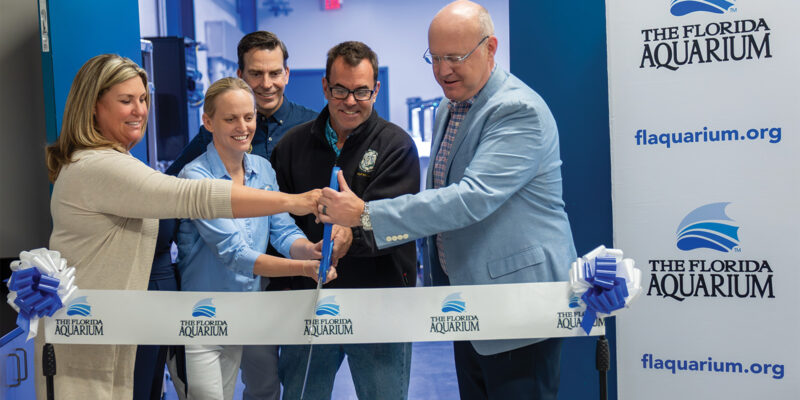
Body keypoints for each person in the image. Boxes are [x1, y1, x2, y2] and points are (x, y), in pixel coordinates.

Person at [318, 2, 577, 399]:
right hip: (467, 301)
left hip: (517, 304)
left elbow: (469, 200)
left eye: (454, 57)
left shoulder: (516, 110)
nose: (442, 70)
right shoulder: (450, 106)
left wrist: (365, 214)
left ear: (490, 48)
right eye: (434, 58)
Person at [37, 54, 320, 400]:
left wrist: (305, 247)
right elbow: (194, 197)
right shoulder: (99, 166)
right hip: (96, 332)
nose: (140, 110)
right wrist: (295, 201)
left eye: (143, 99)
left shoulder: (117, 161)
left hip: (129, 323)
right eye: (126, 101)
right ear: (93, 106)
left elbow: (279, 230)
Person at [161, 31, 319, 400]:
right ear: (208, 122)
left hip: (253, 303)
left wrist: (309, 251)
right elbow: (233, 253)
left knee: (264, 389)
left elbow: (281, 229)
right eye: (231, 118)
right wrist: (303, 269)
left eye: (248, 118)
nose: (243, 127)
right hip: (205, 311)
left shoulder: (263, 169)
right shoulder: (194, 176)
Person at [274, 41, 420, 400]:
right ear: (325, 86)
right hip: (310, 302)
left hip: (379, 300)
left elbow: (401, 224)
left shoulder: (397, 147)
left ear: (376, 90)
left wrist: (351, 236)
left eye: (361, 91)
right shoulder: (291, 146)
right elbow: (277, 222)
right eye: (340, 90)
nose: (350, 101)